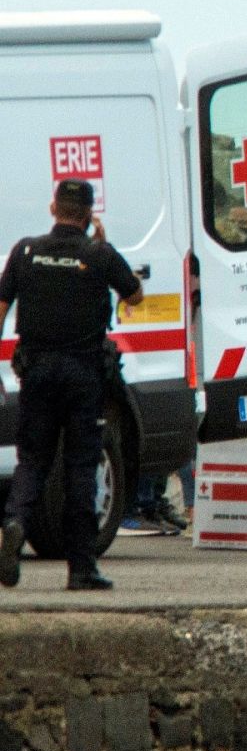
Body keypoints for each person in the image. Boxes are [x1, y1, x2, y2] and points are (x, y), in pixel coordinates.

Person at [0, 179, 143, 591]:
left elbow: (2, 305)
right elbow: (134, 295)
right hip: (83, 376)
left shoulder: (26, 251)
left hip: (37, 372)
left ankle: (15, 521)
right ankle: (81, 568)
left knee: (33, 461)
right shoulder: (99, 254)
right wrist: (103, 244)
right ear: (89, 214)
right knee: (81, 467)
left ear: (53, 208)